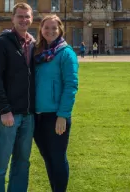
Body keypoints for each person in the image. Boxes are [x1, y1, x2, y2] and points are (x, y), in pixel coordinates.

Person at [0, 2, 36, 192]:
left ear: (32, 19)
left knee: (22, 163)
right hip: (8, 114)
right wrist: (4, 109)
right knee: (0, 164)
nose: (24, 20)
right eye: (20, 16)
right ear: (13, 19)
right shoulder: (2, 43)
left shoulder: (32, 44)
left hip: (28, 114)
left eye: (27, 16)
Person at [34, 14, 79, 192]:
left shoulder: (66, 53)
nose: (50, 31)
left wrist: (63, 115)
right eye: (46, 27)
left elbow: (71, 86)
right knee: (47, 158)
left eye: (54, 28)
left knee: (58, 158)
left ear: (60, 30)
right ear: (41, 30)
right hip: (37, 115)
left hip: (56, 116)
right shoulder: (38, 52)